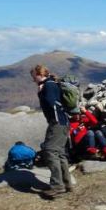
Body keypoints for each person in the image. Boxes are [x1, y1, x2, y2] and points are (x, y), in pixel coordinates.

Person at [31, 64, 73, 198]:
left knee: (49, 151)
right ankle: (67, 183)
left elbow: (51, 103)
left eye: (33, 77)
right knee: (59, 152)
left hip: (57, 122)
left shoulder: (48, 85)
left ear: (39, 74)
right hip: (63, 122)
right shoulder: (52, 83)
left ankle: (57, 186)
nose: (33, 80)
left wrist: (41, 92)